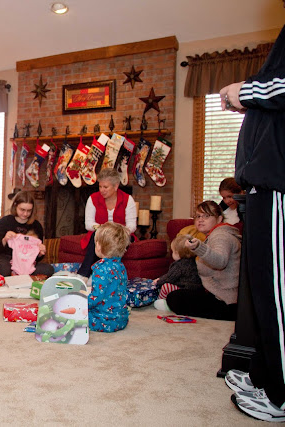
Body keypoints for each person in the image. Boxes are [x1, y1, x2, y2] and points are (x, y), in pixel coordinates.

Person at [219, 14, 285, 421]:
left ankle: (280, 394)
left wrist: (246, 90)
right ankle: (265, 374)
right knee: (263, 292)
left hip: (277, 182)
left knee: (277, 294)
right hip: (263, 185)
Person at [164, 201, 241, 321]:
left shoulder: (221, 236)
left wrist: (198, 248)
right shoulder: (215, 234)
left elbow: (220, 261)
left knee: (175, 298)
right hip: (218, 293)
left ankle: (228, 315)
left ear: (219, 218)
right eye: (198, 216)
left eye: (206, 216)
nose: (200, 220)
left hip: (225, 300)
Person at [77, 168, 137, 278]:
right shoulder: (93, 198)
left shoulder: (128, 199)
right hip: (100, 233)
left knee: (116, 240)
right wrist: (104, 230)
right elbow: (88, 224)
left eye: (105, 187)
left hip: (121, 234)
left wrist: (116, 232)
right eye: (100, 186)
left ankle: (108, 275)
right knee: (97, 236)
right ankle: (83, 275)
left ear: (116, 186)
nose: (102, 190)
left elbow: (132, 226)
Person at [0, 191, 54, 277]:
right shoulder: (4, 222)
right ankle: (20, 275)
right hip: (6, 259)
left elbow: (38, 258)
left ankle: (19, 275)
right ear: (15, 205)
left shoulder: (37, 226)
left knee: (48, 269)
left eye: (29, 211)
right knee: (3, 268)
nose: (25, 214)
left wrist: (40, 253)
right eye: (22, 210)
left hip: (28, 262)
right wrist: (5, 240)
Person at [87, 222, 130, 333]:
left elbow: (96, 298)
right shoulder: (121, 266)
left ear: (98, 246)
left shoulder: (100, 269)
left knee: (75, 314)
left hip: (102, 321)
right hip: (121, 319)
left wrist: (81, 304)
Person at [152, 234, 202, 310]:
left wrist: (158, 281)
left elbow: (169, 278)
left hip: (185, 291)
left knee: (166, 286)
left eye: (173, 252)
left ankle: (163, 302)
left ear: (178, 253)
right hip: (197, 291)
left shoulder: (179, 265)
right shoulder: (194, 261)